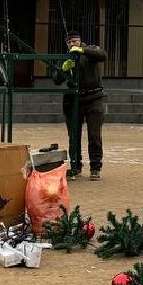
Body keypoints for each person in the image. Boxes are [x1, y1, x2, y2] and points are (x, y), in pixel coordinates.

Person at [53, 29, 106, 180]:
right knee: (73, 136)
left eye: (74, 41)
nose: (71, 44)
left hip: (94, 97)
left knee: (94, 134)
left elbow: (103, 55)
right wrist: (64, 69)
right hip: (73, 100)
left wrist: (82, 50)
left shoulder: (91, 50)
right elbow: (56, 80)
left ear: (80, 41)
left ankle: (95, 167)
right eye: (69, 42)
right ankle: (76, 167)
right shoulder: (65, 58)